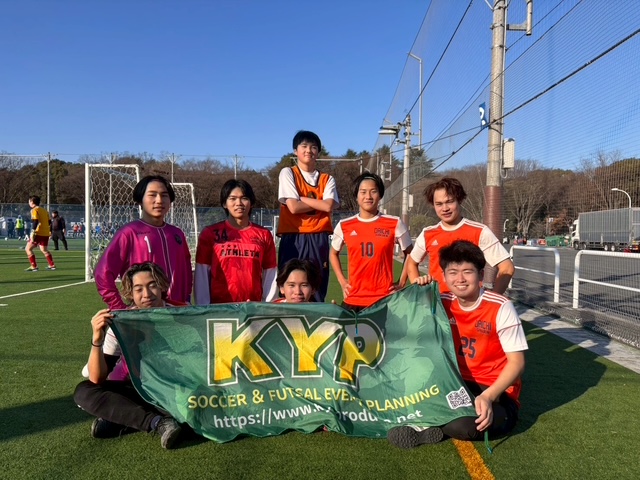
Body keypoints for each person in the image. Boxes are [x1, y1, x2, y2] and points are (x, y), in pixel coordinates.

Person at [388, 240, 528, 448]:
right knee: (401, 391)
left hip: (494, 390)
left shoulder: (500, 307)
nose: (460, 279)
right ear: (444, 276)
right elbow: (403, 318)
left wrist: (489, 396)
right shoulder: (441, 301)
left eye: (467, 272)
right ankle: (430, 423)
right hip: (453, 383)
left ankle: (427, 423)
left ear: (481, 275)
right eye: (453, 272)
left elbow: (517, 363)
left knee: (466, 426)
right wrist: (418, 291)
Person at [74, 262, 184, 449]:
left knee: (196, 411)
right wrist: (97, 339)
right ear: (130, 293)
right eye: (138, 289)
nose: (146, 294)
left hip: (176, 390)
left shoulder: (182, 314)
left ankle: (124, 420)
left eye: (152, 285)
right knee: (84, 392)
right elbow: (96, 378)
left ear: (162, 286)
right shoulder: (123, 322)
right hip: (142, 390)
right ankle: (158, 423)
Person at [94, 175, 193, 310]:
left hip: (178, 311)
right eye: (152, 195)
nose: (159, 200)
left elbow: (186, 271)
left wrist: (186, 299)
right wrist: (119, 307)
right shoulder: (129, 233)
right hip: (145, 313)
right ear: (140, 200)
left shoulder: (177, 233)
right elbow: (102, 273)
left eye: (164, 195)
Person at [406, 177, 514, 294]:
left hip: (471, 303)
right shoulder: (427, 233)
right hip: (437, 303)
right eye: (439, 204)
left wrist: (492, 300)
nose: (445, 208)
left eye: (449, 202)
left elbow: (507, 267)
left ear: (459, 200)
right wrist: (420, 292)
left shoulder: (479, 231)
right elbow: (411, 263)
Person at [329, 173, 413, 311]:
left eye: (373, 191)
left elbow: (410, 253)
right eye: (363, 192)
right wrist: (342, 282)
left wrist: (402, 282)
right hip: (354, 298)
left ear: (380, 195)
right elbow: (333, 253)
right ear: (356, 196)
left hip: (385, 299)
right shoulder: (344, 225)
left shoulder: (394, 223)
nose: (368, 196)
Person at [276, 130, 339, 302]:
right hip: (293, 236)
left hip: (318, 237)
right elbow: (293, 207)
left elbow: (328, 205)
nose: (308, 150)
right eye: (304, 146)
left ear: (318, 152)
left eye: (313, 147)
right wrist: (319, 202)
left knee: (316, 286)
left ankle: (316, 318)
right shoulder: (288, 173)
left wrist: (301, 198)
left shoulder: (327, 179)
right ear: (295, 150)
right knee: (289, 287)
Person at [195, 179, 278, 304]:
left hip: (252, 307)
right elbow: (202, 273)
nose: (238, 203)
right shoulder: (209, 233)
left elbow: (270, 273)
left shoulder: (264, 234)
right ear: (224, 203)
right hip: (219, 308)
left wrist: (268, 306)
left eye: (244, 198)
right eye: (232, 198)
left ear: (251, 202)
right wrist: (204, 308)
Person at [24, 196, 56, 272]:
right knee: (44, 249)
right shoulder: (45, 211)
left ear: (32, 202)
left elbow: (35, 221)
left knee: (28, 249)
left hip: (38, 232)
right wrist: (50, 232)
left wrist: (33, 231)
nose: (29, 203)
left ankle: (34, 266)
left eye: (29, 201)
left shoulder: (34, 210)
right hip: (45, 233)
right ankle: (52, 265)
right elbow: (49, 222)